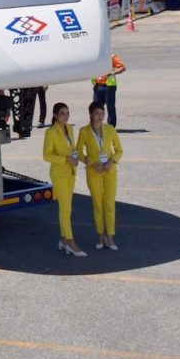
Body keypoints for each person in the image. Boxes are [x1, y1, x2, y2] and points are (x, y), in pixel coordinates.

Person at [78, 101, 124, 250]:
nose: (100, 116)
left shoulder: (110, 129)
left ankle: (110, 237)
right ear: (91, 114)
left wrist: (112, 161)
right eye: (97, 113)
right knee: (98, 205)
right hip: (94, 171)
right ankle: (100, 236)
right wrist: (91, 163)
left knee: (110, 204)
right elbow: (78, 152)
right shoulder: (84, 131)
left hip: (110, 170)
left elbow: (119, 150)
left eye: (102, 113)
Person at [43, 102, 85, 256]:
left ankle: (63, 239)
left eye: (67, 113)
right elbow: (47, 155)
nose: (65, 116)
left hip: (71, 172)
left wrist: (87, 161)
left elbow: (74, 150)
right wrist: (66, 159)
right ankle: (70, 241)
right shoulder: (51, 132)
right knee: (65, 208)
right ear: (55, 115)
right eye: (62, 113)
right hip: (59, 173)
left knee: (67, 208)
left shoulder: (69, 129)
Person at [92, 52, 126, 127]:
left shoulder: (111, 56)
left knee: (110, 107)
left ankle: (111, 126)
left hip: (109, 86)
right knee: (96, 108)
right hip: (97, 86)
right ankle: (97, 126)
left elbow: (122, 68)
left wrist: (113, 73)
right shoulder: (94, 55)